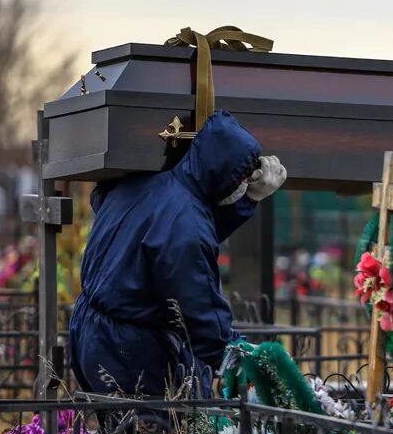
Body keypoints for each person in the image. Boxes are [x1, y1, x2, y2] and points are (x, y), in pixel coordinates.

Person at [69, 111, 286, 400]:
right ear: (226, 177)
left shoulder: (150, 185)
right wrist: (233, 353)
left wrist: (247, 200)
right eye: (242, 181)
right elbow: (198, 305)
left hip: (89, 332)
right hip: (129, 351)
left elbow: (173, 238)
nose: (243, 186)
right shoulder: (186, 221)